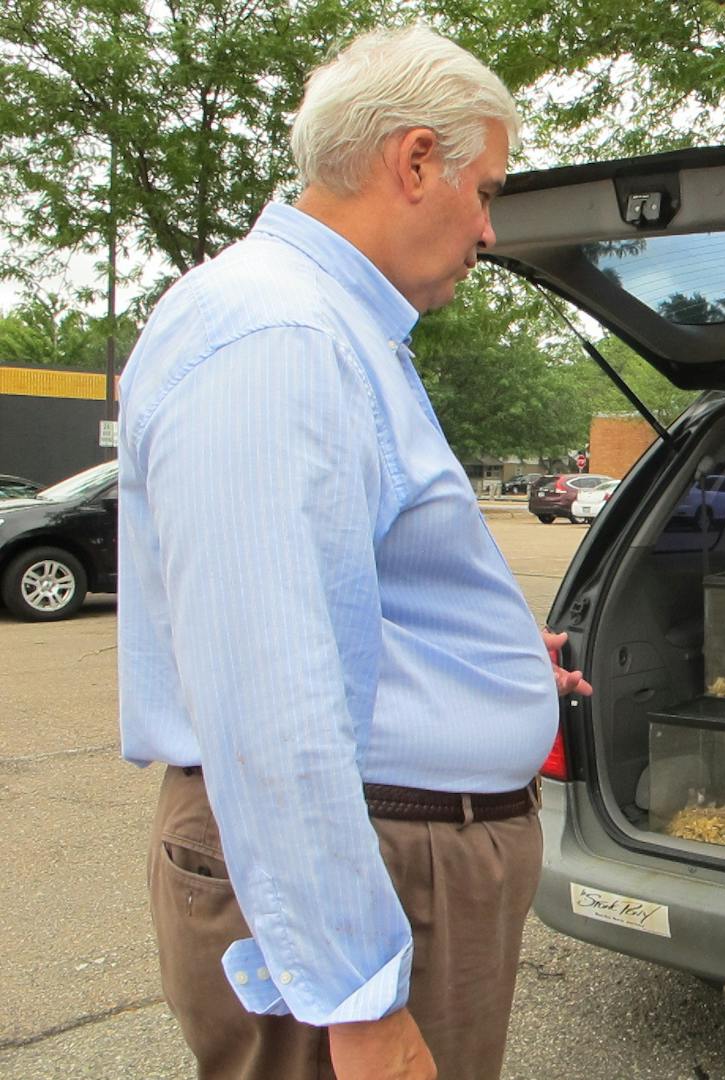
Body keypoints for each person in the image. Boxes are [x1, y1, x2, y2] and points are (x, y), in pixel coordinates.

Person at [117, 25, 590, 1080]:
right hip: (376, 869)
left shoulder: (327, 327)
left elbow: (336, 603)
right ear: (415, 160)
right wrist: (357, 997)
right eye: (486, 190)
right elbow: (267, 690)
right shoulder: (276, 335)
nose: (489, 229)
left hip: (401, 849)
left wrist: (486, 668)